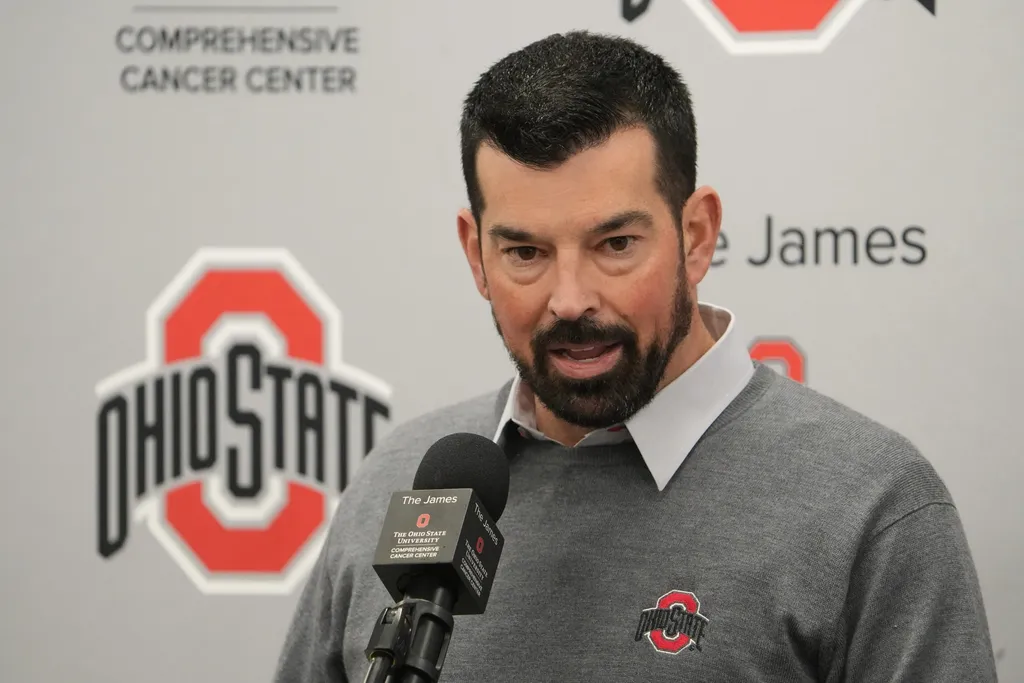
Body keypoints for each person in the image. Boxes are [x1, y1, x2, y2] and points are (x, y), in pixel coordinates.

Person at [273, 31, 997, 682]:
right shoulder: (394, 481)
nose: (570, 298)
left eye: (615, 244)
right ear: (476, 253)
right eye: (525, 252)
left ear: (697, 234)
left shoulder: (871, 505)